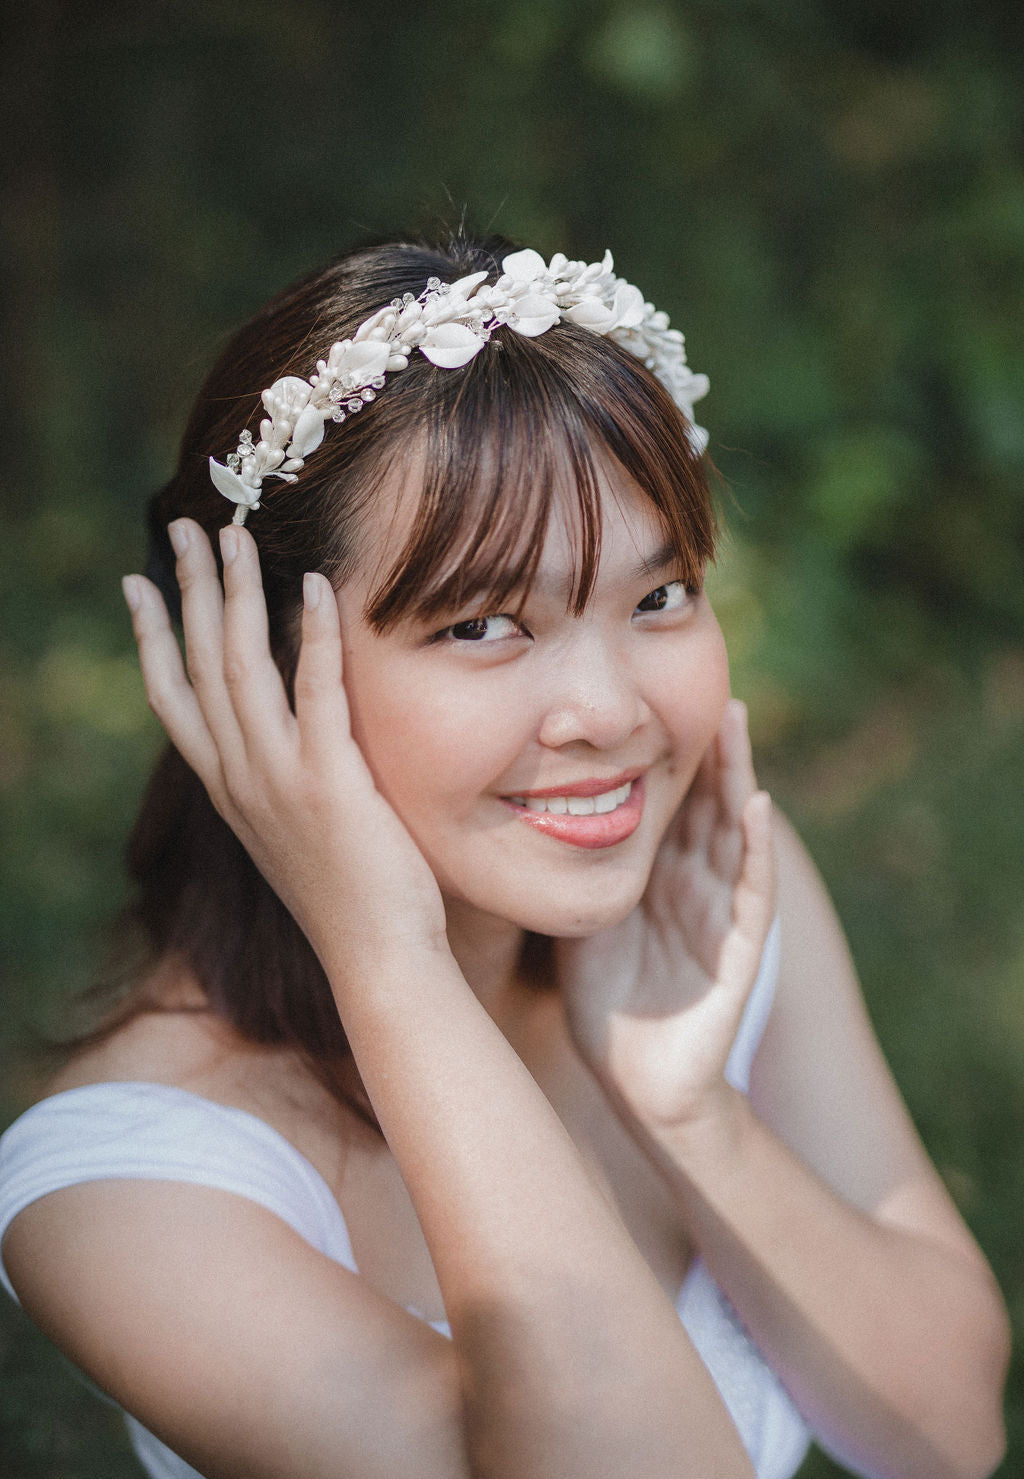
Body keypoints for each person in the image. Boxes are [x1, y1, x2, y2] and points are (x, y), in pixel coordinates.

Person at [0, 236, 1009, 1479]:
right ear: (261, 673)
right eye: (481, 623)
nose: (608, 713)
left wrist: (693, 1119)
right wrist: (389, 963)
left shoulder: (710, 884)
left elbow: (952, 1437)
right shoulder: (125, 1190)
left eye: (659, 597)